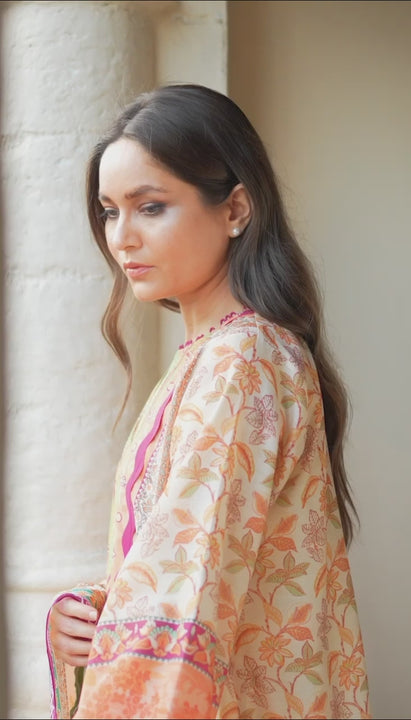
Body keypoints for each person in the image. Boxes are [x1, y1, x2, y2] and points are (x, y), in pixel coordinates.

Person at [46, 84, 371, 720]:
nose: (122, 238)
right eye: (109, 212)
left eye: (150, 207)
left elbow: (182, 605)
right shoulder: (218, 356)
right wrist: (90, 616)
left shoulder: (241, 362)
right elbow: (190, 564)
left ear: (235, 209)